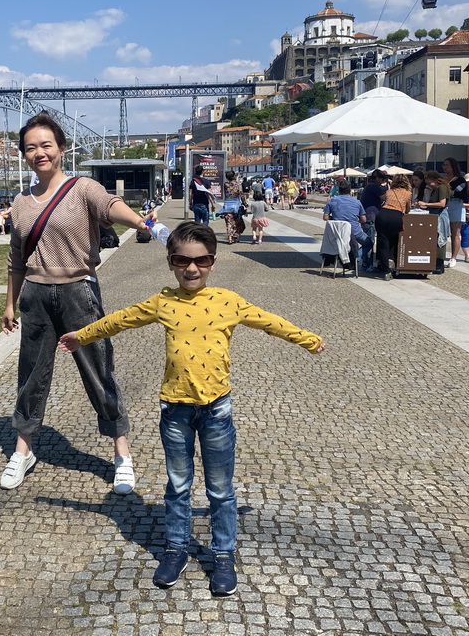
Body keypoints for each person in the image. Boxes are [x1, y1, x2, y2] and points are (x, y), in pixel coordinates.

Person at [57, 222, 324, 596]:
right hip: (175, 412)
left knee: (220, 490)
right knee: (178, 487)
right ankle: (176, 548)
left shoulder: (228, 301)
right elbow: (120, 319)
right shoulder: (162, 302)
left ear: (213, 262)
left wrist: (307, 339)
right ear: (170, 262)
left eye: (202, 260)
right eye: (182, 259)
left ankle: (223, 555)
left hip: (217, 410)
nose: (192, 268)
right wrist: (80, 336)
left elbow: (269, 322)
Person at [0, 111, 152, 493]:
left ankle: (122, 454)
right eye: (31, 147)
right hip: (35, 295)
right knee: (31, 376)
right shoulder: (20, 202)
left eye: (46, 145)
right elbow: (16, 259)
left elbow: (109, 206)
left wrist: (136, 222)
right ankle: (23, 450)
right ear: (24, 155)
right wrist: (9, 304)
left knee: (100, 371)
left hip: (79, 292)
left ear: (61, 148)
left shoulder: (83, 188)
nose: (39, 153)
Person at [322, 181, 371, 266]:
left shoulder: (332, 201)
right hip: (354, 232)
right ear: (350, 191)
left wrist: (336, 219)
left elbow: (325, 217)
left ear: (339, 191)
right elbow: (363, 220)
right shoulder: (357, 202)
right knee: (369, 243)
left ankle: (344, 258)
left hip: (337, 233)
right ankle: (356, 258)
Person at [374, 174, 413, 280]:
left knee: (383, 243)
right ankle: (393, 263)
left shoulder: (389, 192)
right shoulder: (408, 193)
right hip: (396, 216)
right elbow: (408, 209)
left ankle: (386, 270)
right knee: (395, 241)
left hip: (382, 215)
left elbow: (385, 202)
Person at [417, 170, 450, 274]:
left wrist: (426, 204)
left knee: (440, 238)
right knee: (435, 239)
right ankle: (435, 262)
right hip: (434, 214)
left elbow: (442, 203)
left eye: (429, 183)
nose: (428, 185)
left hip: (440, 215)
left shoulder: (442, 188)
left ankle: (440, 264)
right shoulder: (435, 189)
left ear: (435, 180)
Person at [358, 170, 388, 271]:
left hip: (368, 217)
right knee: (369, 242)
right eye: (382, 179)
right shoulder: (373, 186)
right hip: (370, 218)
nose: (383, 181)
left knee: (368, 241)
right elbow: (385, 197)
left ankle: (365, 263)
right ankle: (365, 264)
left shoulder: (369, 186)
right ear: (377, 178)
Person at [443, 157, 468, 266]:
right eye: (444, 165)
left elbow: (464, 195)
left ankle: (453, 257)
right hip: (445, 205)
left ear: (453, 166)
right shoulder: (443, 180)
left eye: (446, 164)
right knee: (442, 231)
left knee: (455, 233)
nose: (444, 167)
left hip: (456, 205)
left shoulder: (460, 180)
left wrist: (451, 192)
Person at [221, 170, 247, 244]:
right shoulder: (238, 185)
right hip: (236, 205)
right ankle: (236, 236)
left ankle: (230, 238)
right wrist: (245, 204)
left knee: (229, 222)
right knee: (239, 223)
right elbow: (241, 195)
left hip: (227, 205)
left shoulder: (225, 184)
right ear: (234, 176)